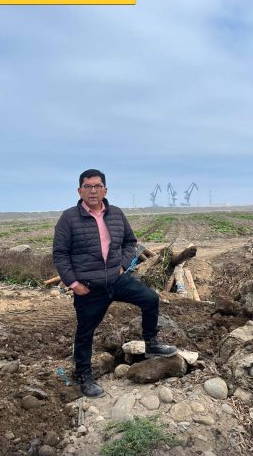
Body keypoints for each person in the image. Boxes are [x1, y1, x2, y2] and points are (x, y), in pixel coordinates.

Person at [53, 169, 177, 397]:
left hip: (117, 280)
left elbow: (130, 241)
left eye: (97, 186)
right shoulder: (69, 218)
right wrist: (74, 284)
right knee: (85, 333)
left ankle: (151, 343)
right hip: (89, 288)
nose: (93, 190)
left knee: (151, 299)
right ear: (79, 190)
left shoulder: (116, 214)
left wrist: (121, 264)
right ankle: (84, 376)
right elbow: (60, 254)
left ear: (105, 190)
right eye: (88, 186)